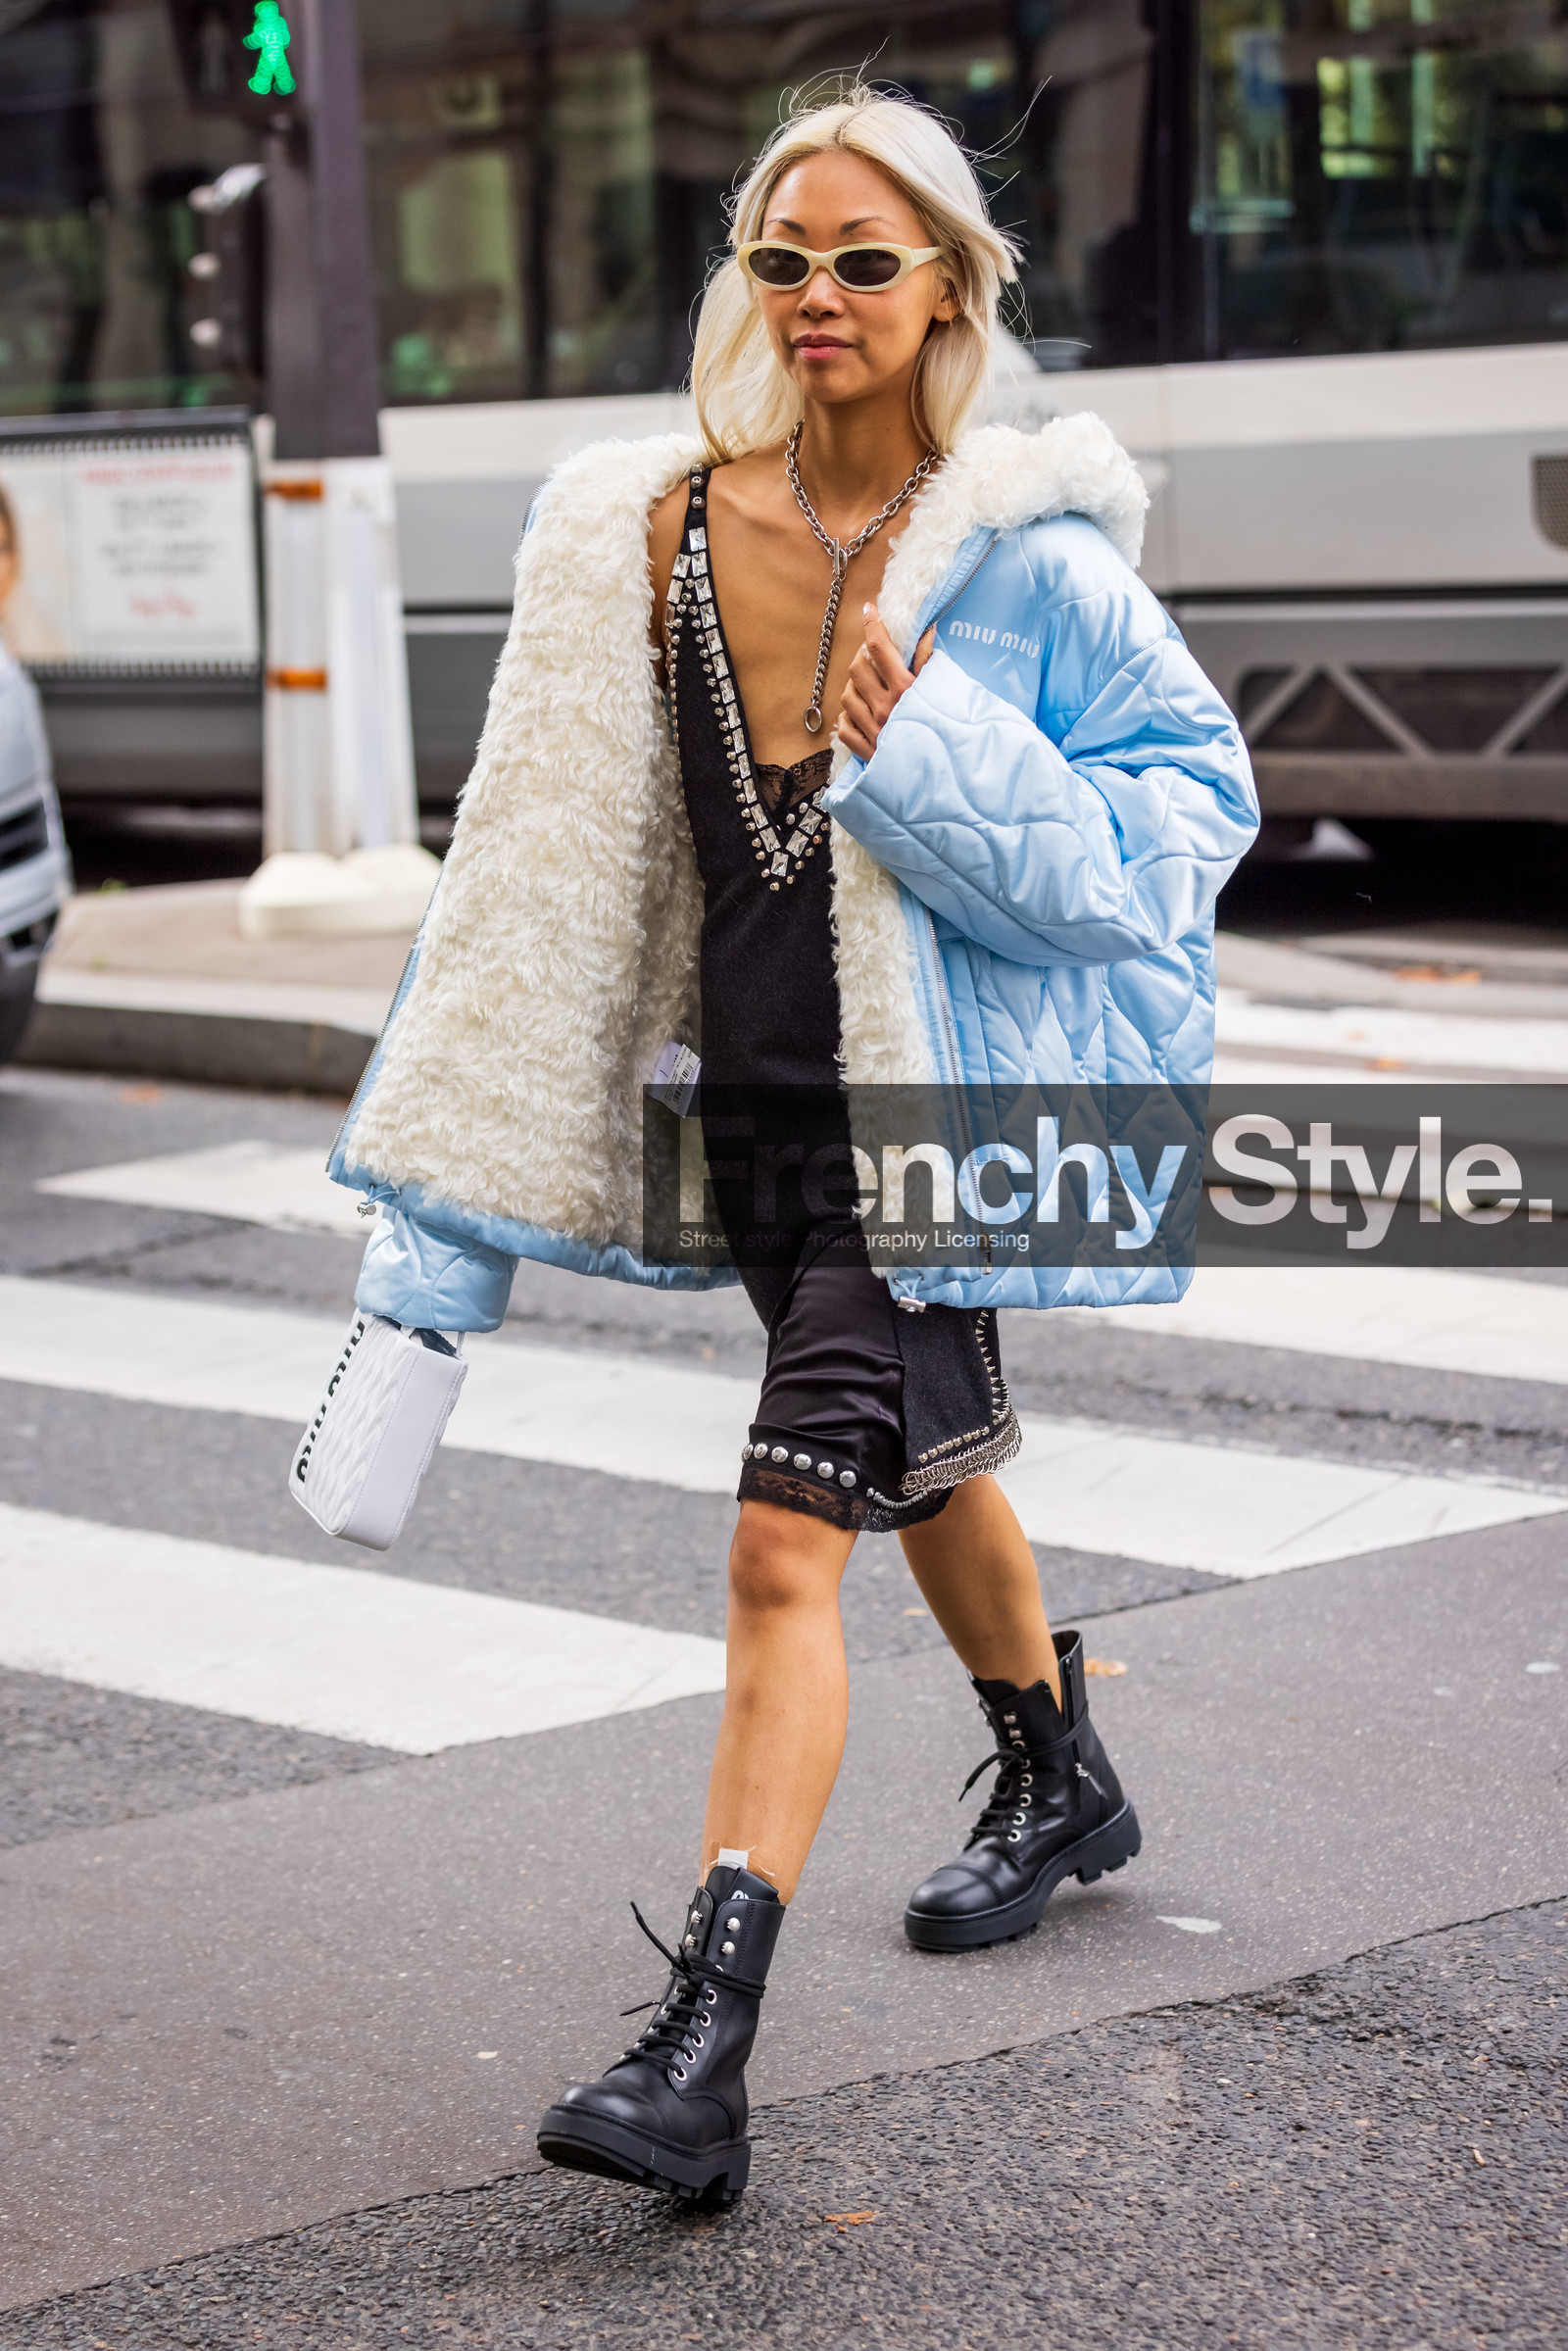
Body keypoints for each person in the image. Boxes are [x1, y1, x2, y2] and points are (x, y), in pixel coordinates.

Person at [328, 86, 1257, 2209]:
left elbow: (1179, 830)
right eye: (780, 258)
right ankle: (1062, 1776)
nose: (817, 296)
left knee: (777, 1539)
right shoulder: (652, 531)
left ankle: (699, 2055)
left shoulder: (1022, 560)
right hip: (745, 1115)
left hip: (931, 1120)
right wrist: (434, 1234)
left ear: (948, 289)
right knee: (921, 1456)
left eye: (862, 259)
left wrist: (936, 744)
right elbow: (540, 878)